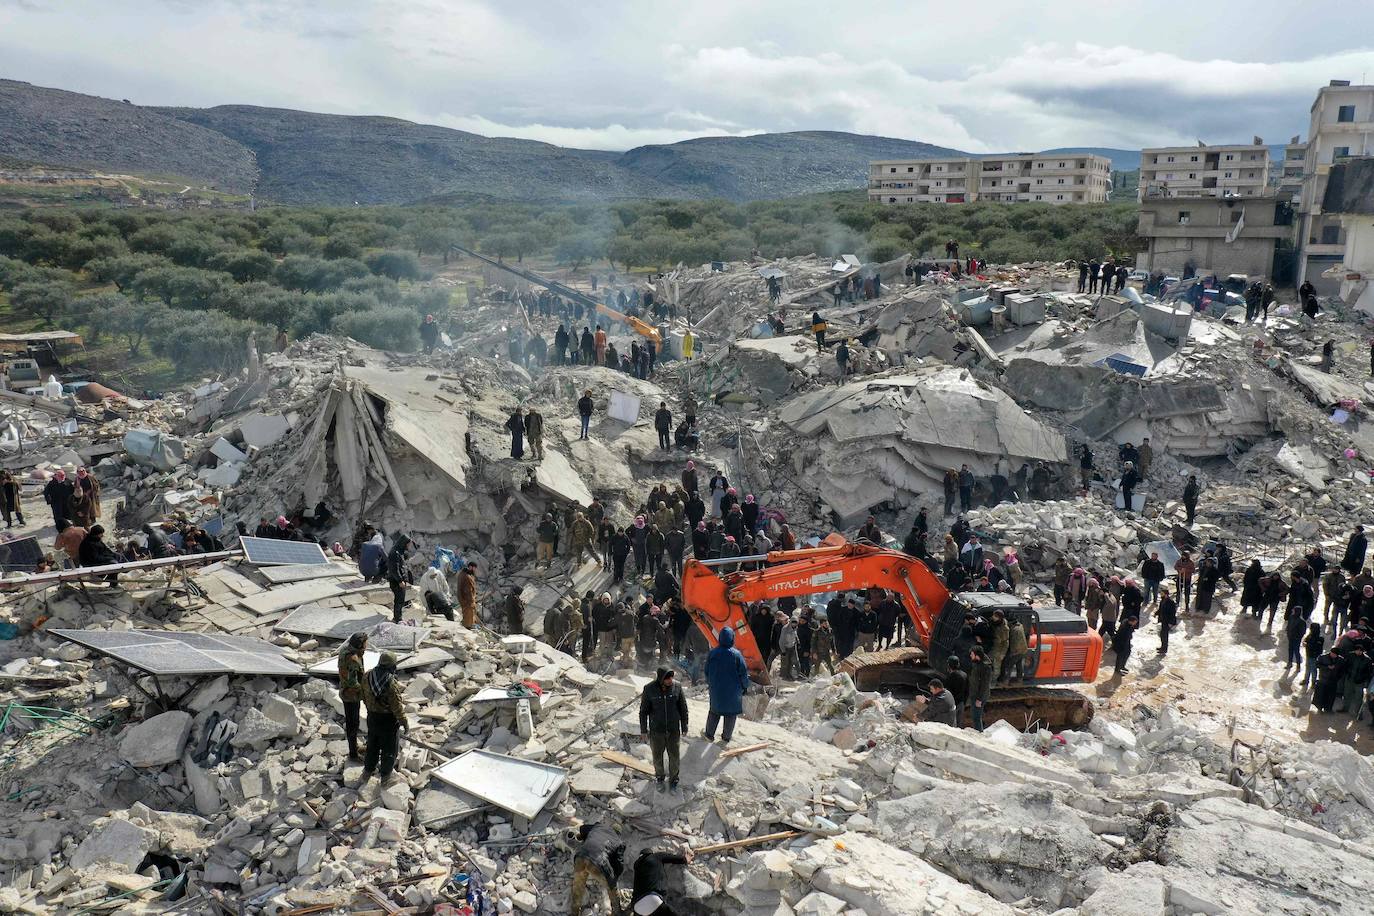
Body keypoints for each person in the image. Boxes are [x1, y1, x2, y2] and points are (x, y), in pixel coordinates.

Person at [360, 651, 408, 783]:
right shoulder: (390, 683)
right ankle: (386, 776)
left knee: (372, 744)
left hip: (372, 717)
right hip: (388, 721)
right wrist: (404, 721)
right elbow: (396, 706)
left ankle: (367, 771)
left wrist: (370, 707)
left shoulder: (367, 675)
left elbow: (362, 695)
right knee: (389, 748)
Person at [639, 667, 689, 790]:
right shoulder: (649, 689)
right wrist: (644, 730)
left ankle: (673, 780)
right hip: (656, 731)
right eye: (667, 678)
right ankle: (660, 778)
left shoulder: (677, 687)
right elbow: (643, 712)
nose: (670, 680)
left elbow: (683, 708)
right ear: (661, 679)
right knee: (657, 757)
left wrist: (684, 725)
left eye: (671, 677)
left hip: (673, 730)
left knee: (675, 757)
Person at [703, 626, 749, 745]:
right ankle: (726, 738)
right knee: (730, 714)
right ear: (732, 638)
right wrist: (745, 686)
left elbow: (706, 670)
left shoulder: (713, 653)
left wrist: (711, 683)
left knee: (714, 712)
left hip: (716, 690)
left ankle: (709, 735)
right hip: (733, 692)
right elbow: (743, 673)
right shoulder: (736, 654)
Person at [570, 823, 627, 916]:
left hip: (580, 856)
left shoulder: (599, 826)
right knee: (612, 887)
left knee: (578, 886)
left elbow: (582, 828)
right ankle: (617, 912)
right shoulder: (619, 842)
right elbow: (619, 865)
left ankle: (574, 912)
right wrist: (613, 878)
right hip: (598, 861)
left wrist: (583, 838)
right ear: (618, 833)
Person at [629, 847, 693, 916]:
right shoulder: (656, 856)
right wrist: (685, 859)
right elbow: (673, 858)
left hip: (636, 907)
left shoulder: (637, 867)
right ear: (650, 853)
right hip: (652, 898)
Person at [338, 632, 367, 761]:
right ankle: (353, 753)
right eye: (365, 643)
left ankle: (354, 747)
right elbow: (352, 682)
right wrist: (365, 690)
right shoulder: (353, 658)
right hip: (351, 696)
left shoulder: (345, 650)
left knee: (352, 723)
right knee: (353, 724)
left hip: (346, 692)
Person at [386, 535, 413, 623]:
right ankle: (397, 618)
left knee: (400, 600)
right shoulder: (395, 553)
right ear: (404, 543)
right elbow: (394, 569)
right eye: (408, 544)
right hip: (396, 581)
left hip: (399, 580)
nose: (409, 546)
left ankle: (398, 617)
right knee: (399, 600)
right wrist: (400, 580)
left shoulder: (399, 551)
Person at [967, 646, 993, 731]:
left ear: (977, 655)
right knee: (975, 716)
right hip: (974, 693)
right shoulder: (977, 662)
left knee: (976, 717)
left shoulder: (986, 667)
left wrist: (979, 699)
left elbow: (984, 685)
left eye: (972, 654)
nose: (970, 656)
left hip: (979, 696)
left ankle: (979, 735)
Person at [1302, 623, 1325, 691]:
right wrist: (1305, 642)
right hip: (1309, 654)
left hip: (1314, 656)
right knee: (1308, 668)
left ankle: (1313, 683)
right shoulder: (1311, 635)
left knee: (1313, 670)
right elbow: (1306, 639)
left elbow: (1315, 647)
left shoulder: (1320, 638)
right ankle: (1306, 680)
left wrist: (1307, 644)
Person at [1156, 588, 1178, 654]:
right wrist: (1156, 613)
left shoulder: (1170, 602)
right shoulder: (1162, 601)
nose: (1161, 595)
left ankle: (1164, 649)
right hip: (1163, 620)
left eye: (1162, 593)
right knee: (1162, 634)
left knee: (1164, 635)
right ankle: (1162, 647)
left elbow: (1172, 613)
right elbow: (1160, 609)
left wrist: (1171, 623)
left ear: (1166, 594)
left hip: (1167, 621)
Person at [457, 562, 479, 627]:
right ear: (470, 567)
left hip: (462, 598)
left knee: (466, 614)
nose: (474, 570)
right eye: (474, 568)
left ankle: (467, 625)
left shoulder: (462, 574)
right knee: (469, 615)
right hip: (467, 600)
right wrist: (472, 602)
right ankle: (467, 627)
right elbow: (468, 591)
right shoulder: (467, 577)